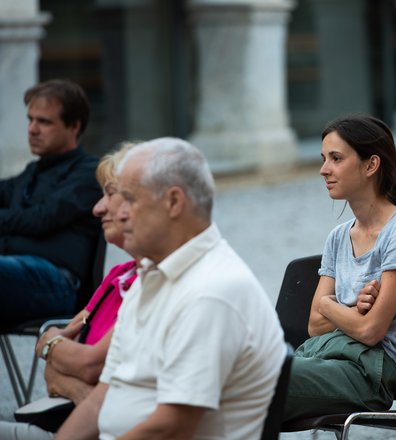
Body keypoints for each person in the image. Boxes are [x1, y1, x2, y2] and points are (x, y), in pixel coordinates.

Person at [55, 137, 286, 440]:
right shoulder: (151, 276)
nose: (116, 212)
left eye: (130, 199)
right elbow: (100, 401)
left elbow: (170, 428)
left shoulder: (212, 291)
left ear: (174, 202)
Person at [283, 115, 396, 421]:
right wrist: (352, 312)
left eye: (336, 158)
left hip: (369, 372)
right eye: (324, 158)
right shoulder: (339, 237)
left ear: (371, 165)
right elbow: (314, 326)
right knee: (236, 370)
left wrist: (330, 304)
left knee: (256, 379)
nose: (323, 169)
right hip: (325, 356)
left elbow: (370, 331)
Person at [0, 143, 139, 440]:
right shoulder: (118, 276)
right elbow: (51, 370)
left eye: (109, 194)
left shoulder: (152, 285)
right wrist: (59, 355)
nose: (97, 207)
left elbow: (86, 365)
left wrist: (55, 348)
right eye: (30, 119)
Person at [0, 79, 102, 326]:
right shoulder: (31, 173)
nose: (32, 129)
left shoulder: (89, 173)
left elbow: (40, 219)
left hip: (56, 284)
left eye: (44, 121)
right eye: (30, 119)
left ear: (74, 126)